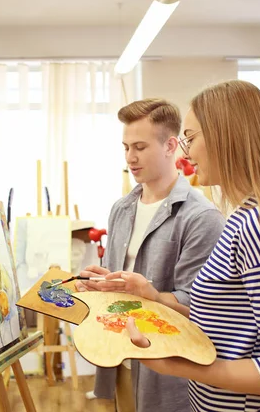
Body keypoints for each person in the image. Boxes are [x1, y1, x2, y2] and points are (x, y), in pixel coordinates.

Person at [93, 80, 260, 412]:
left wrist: (172, 364)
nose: (186, 151)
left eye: (191, 138)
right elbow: (223, 317)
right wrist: (151, 295)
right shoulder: (244, 217)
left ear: (225, 136)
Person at [76, 98, 225, 412]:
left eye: (140, 147)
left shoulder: (201, 217)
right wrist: (99, 284)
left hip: (165, 371)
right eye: (126, 147)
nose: (130, 157)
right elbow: (118, 281)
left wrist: (151, 293)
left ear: (171, 145)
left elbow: (198, 306)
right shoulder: (121, 209)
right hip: (119, 359)